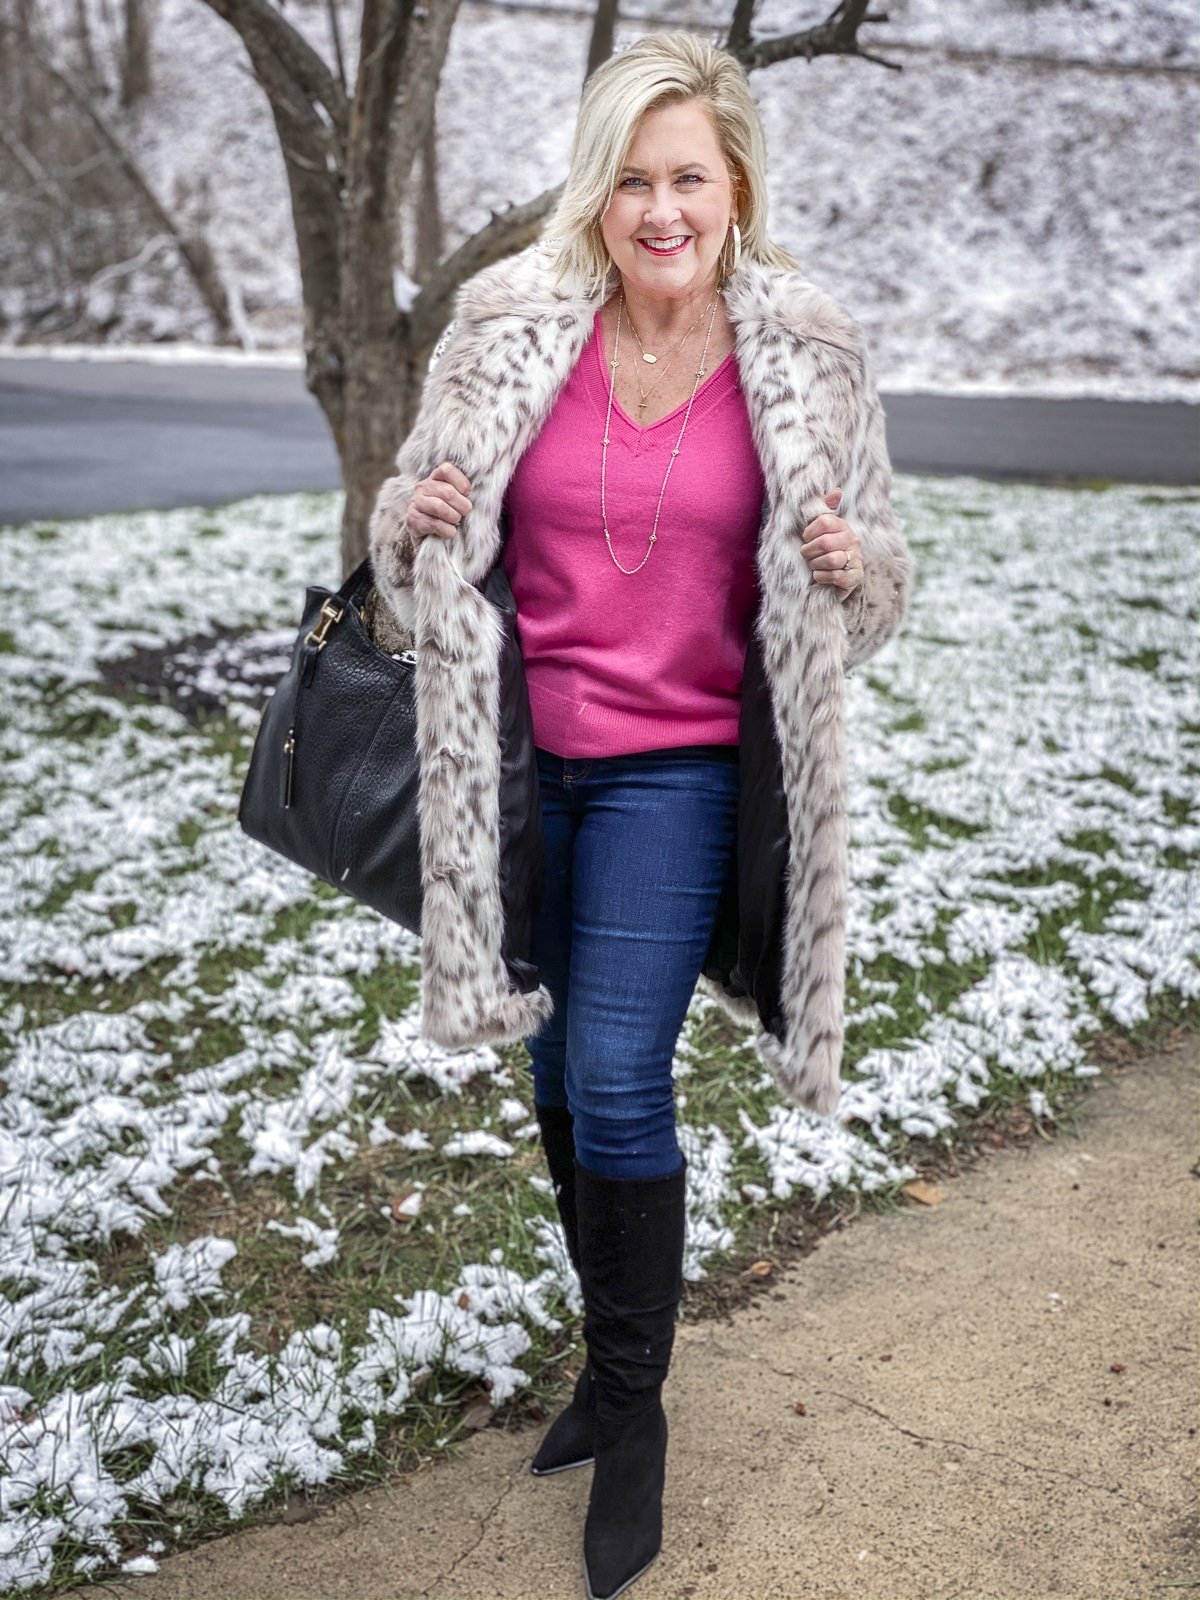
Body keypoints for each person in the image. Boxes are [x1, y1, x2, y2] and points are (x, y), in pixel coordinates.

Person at [367, 30, 912, 1600]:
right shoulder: (506, 327)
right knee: (553, 1058)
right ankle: (609, 1370)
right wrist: (413, 523)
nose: (660, 207)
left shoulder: (804, 352)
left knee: (615, 1069)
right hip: (526, 764)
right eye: (632, 178)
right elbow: (413, 568)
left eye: (689, 177)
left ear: (735, 185)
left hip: (681, 768)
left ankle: (637, 1409)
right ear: (596, 193)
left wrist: (844, 575)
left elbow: (878, 588)